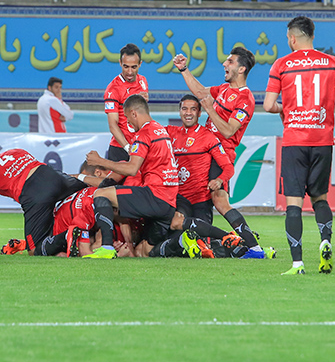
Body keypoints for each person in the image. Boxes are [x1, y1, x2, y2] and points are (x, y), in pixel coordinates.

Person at [263, 16, 335, 275]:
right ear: (312, 36)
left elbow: (269, 105)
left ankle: (297, 264)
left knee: (294, 203)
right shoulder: (332, 62)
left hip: (295, 141)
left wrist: (287, 108)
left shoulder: (282, 64)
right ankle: (325, 241)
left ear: (292, 38)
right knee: (320, 198)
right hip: (323, 141)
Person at [84, 94, 230, 260]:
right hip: (169, 201)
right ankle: (201, 241)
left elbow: (132, 168)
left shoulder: (144, 134)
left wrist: (100, 161)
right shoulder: (160, 130)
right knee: (143, 252)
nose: (129, 124)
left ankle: (107, 247)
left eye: (127, 118)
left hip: (154, 195)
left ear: (133, 113)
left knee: (100, 194)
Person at [171, 46, 267, 258]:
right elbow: (200, 93)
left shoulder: (245, 98)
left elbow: (229, 129)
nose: (224, 64)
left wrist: (210, 109)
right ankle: (223, 242)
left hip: (220, 154)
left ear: (241, 69)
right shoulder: (224, 89)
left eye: (230, 62)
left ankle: (253, 247)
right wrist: (184, 69)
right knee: (205, 198)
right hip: (206, 151)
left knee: (219, 200)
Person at [0, 147, 86, 255]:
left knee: (34, 250)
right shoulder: (16, 151)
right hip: (52, 175)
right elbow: (39, 172)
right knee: (90, 190)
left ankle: (66, 236)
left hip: (34, 193)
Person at [104, 43, 149, 162]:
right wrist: (127, 148)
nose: (129, 72)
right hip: (120, 149)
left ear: (140, 64)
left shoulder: (143, 81)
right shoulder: (113, 89)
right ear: (120, 63)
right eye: (125, 66)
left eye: (133, 67)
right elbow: (113, 125)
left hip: (140, 146)